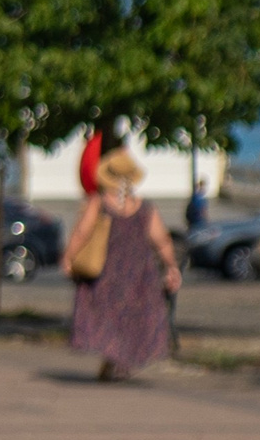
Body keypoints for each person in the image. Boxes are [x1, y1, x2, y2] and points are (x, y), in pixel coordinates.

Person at [65, 147, 180, 379]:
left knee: (107, 316)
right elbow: (162, 240)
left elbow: (82, 232)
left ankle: (113, 358)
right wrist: (171, 267)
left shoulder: (99, 203)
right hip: (140, 272)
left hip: (107, 272)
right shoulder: (145, 208)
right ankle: (121, 360)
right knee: (131, 317)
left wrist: (69, 256)